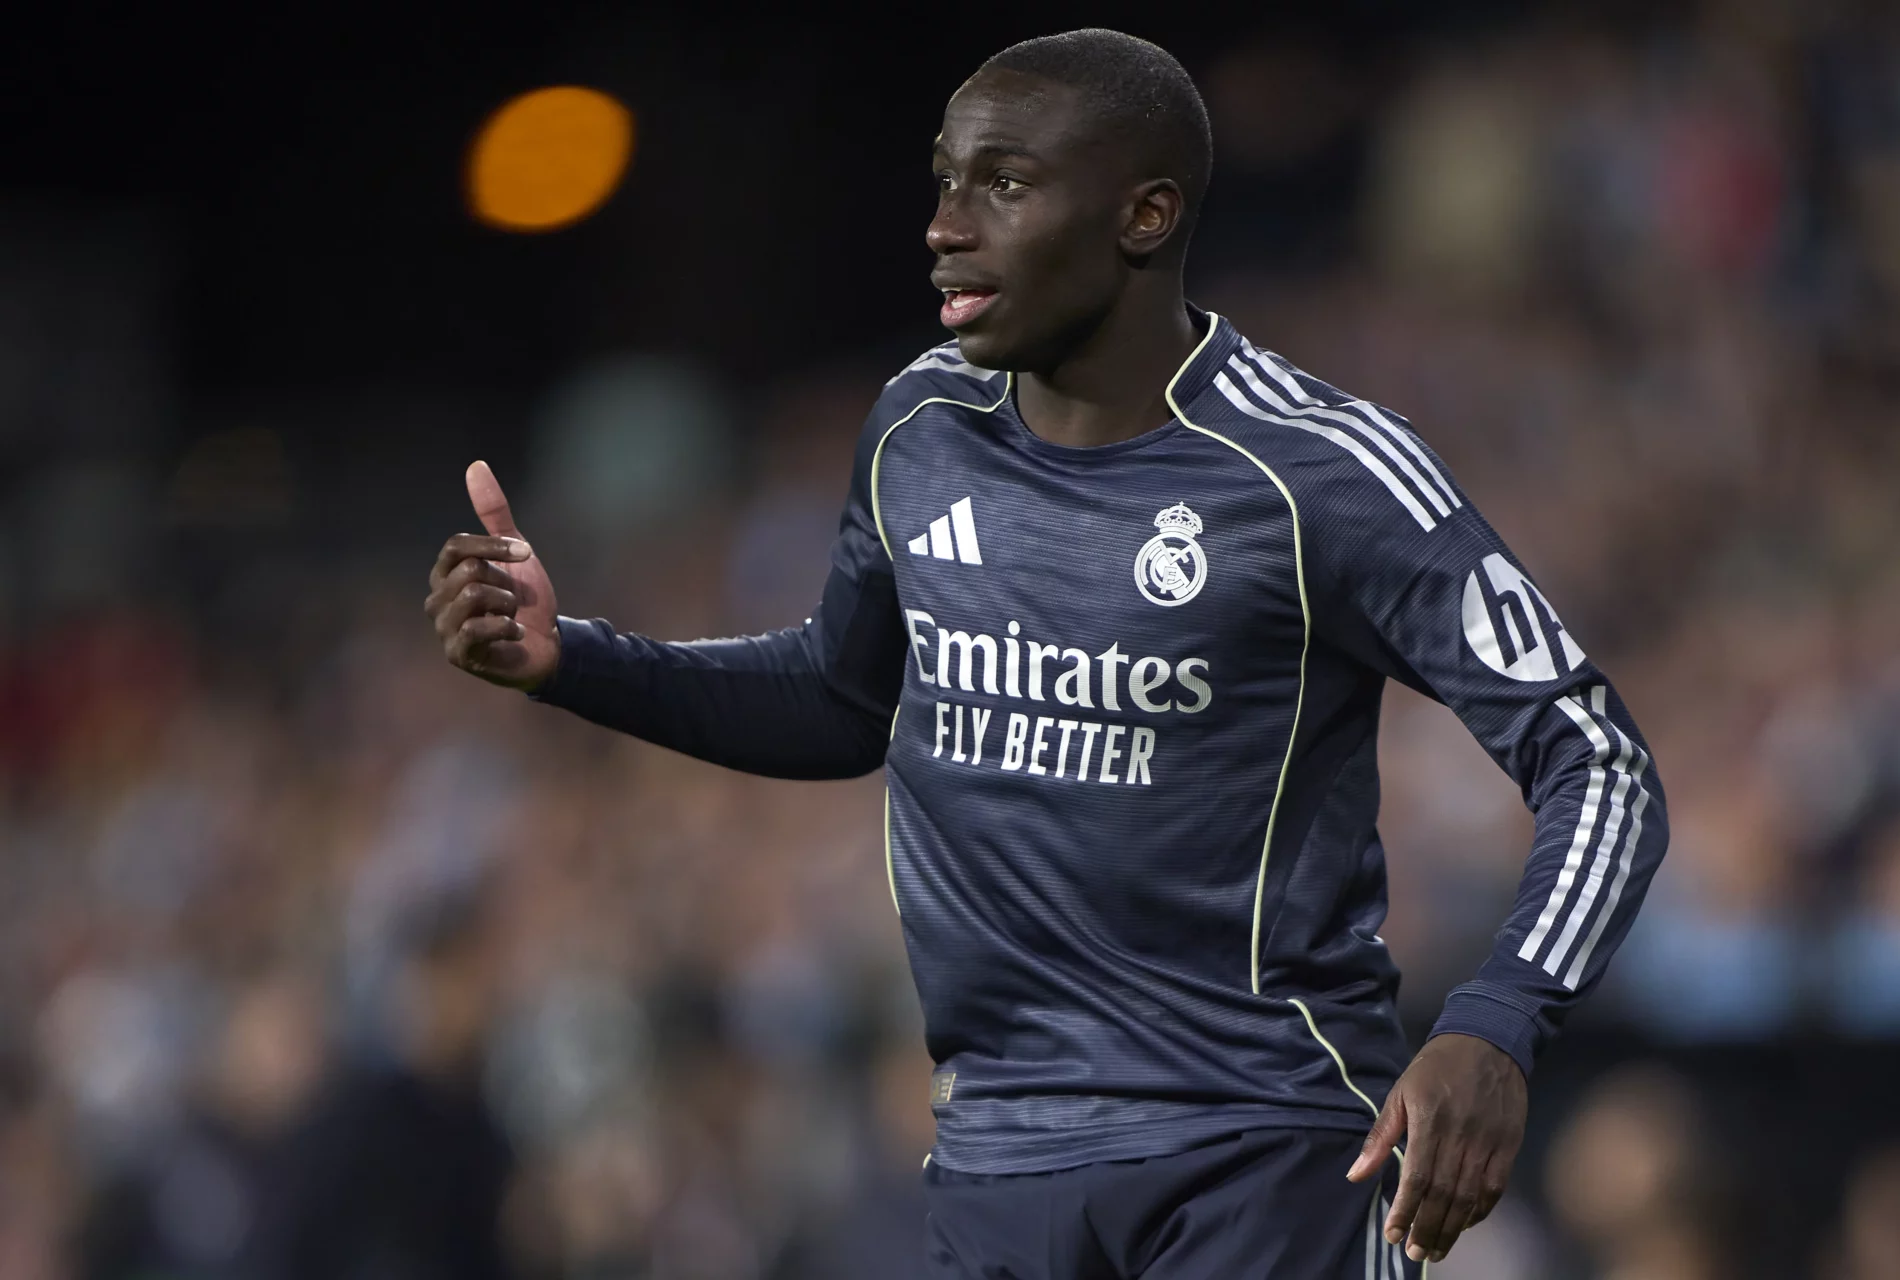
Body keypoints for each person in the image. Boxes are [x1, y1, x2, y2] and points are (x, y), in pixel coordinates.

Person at [425, 29, 1668, 1277]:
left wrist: (1496, 1023)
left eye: (1003, 185)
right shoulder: (920, 427)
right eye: (946, 179)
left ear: (1144, 215)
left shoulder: (1317, 472)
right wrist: (570, 657)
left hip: (1260, 1154)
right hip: (995, 1161)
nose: (945, 225)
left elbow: (1598, 759)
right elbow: (842, 698)